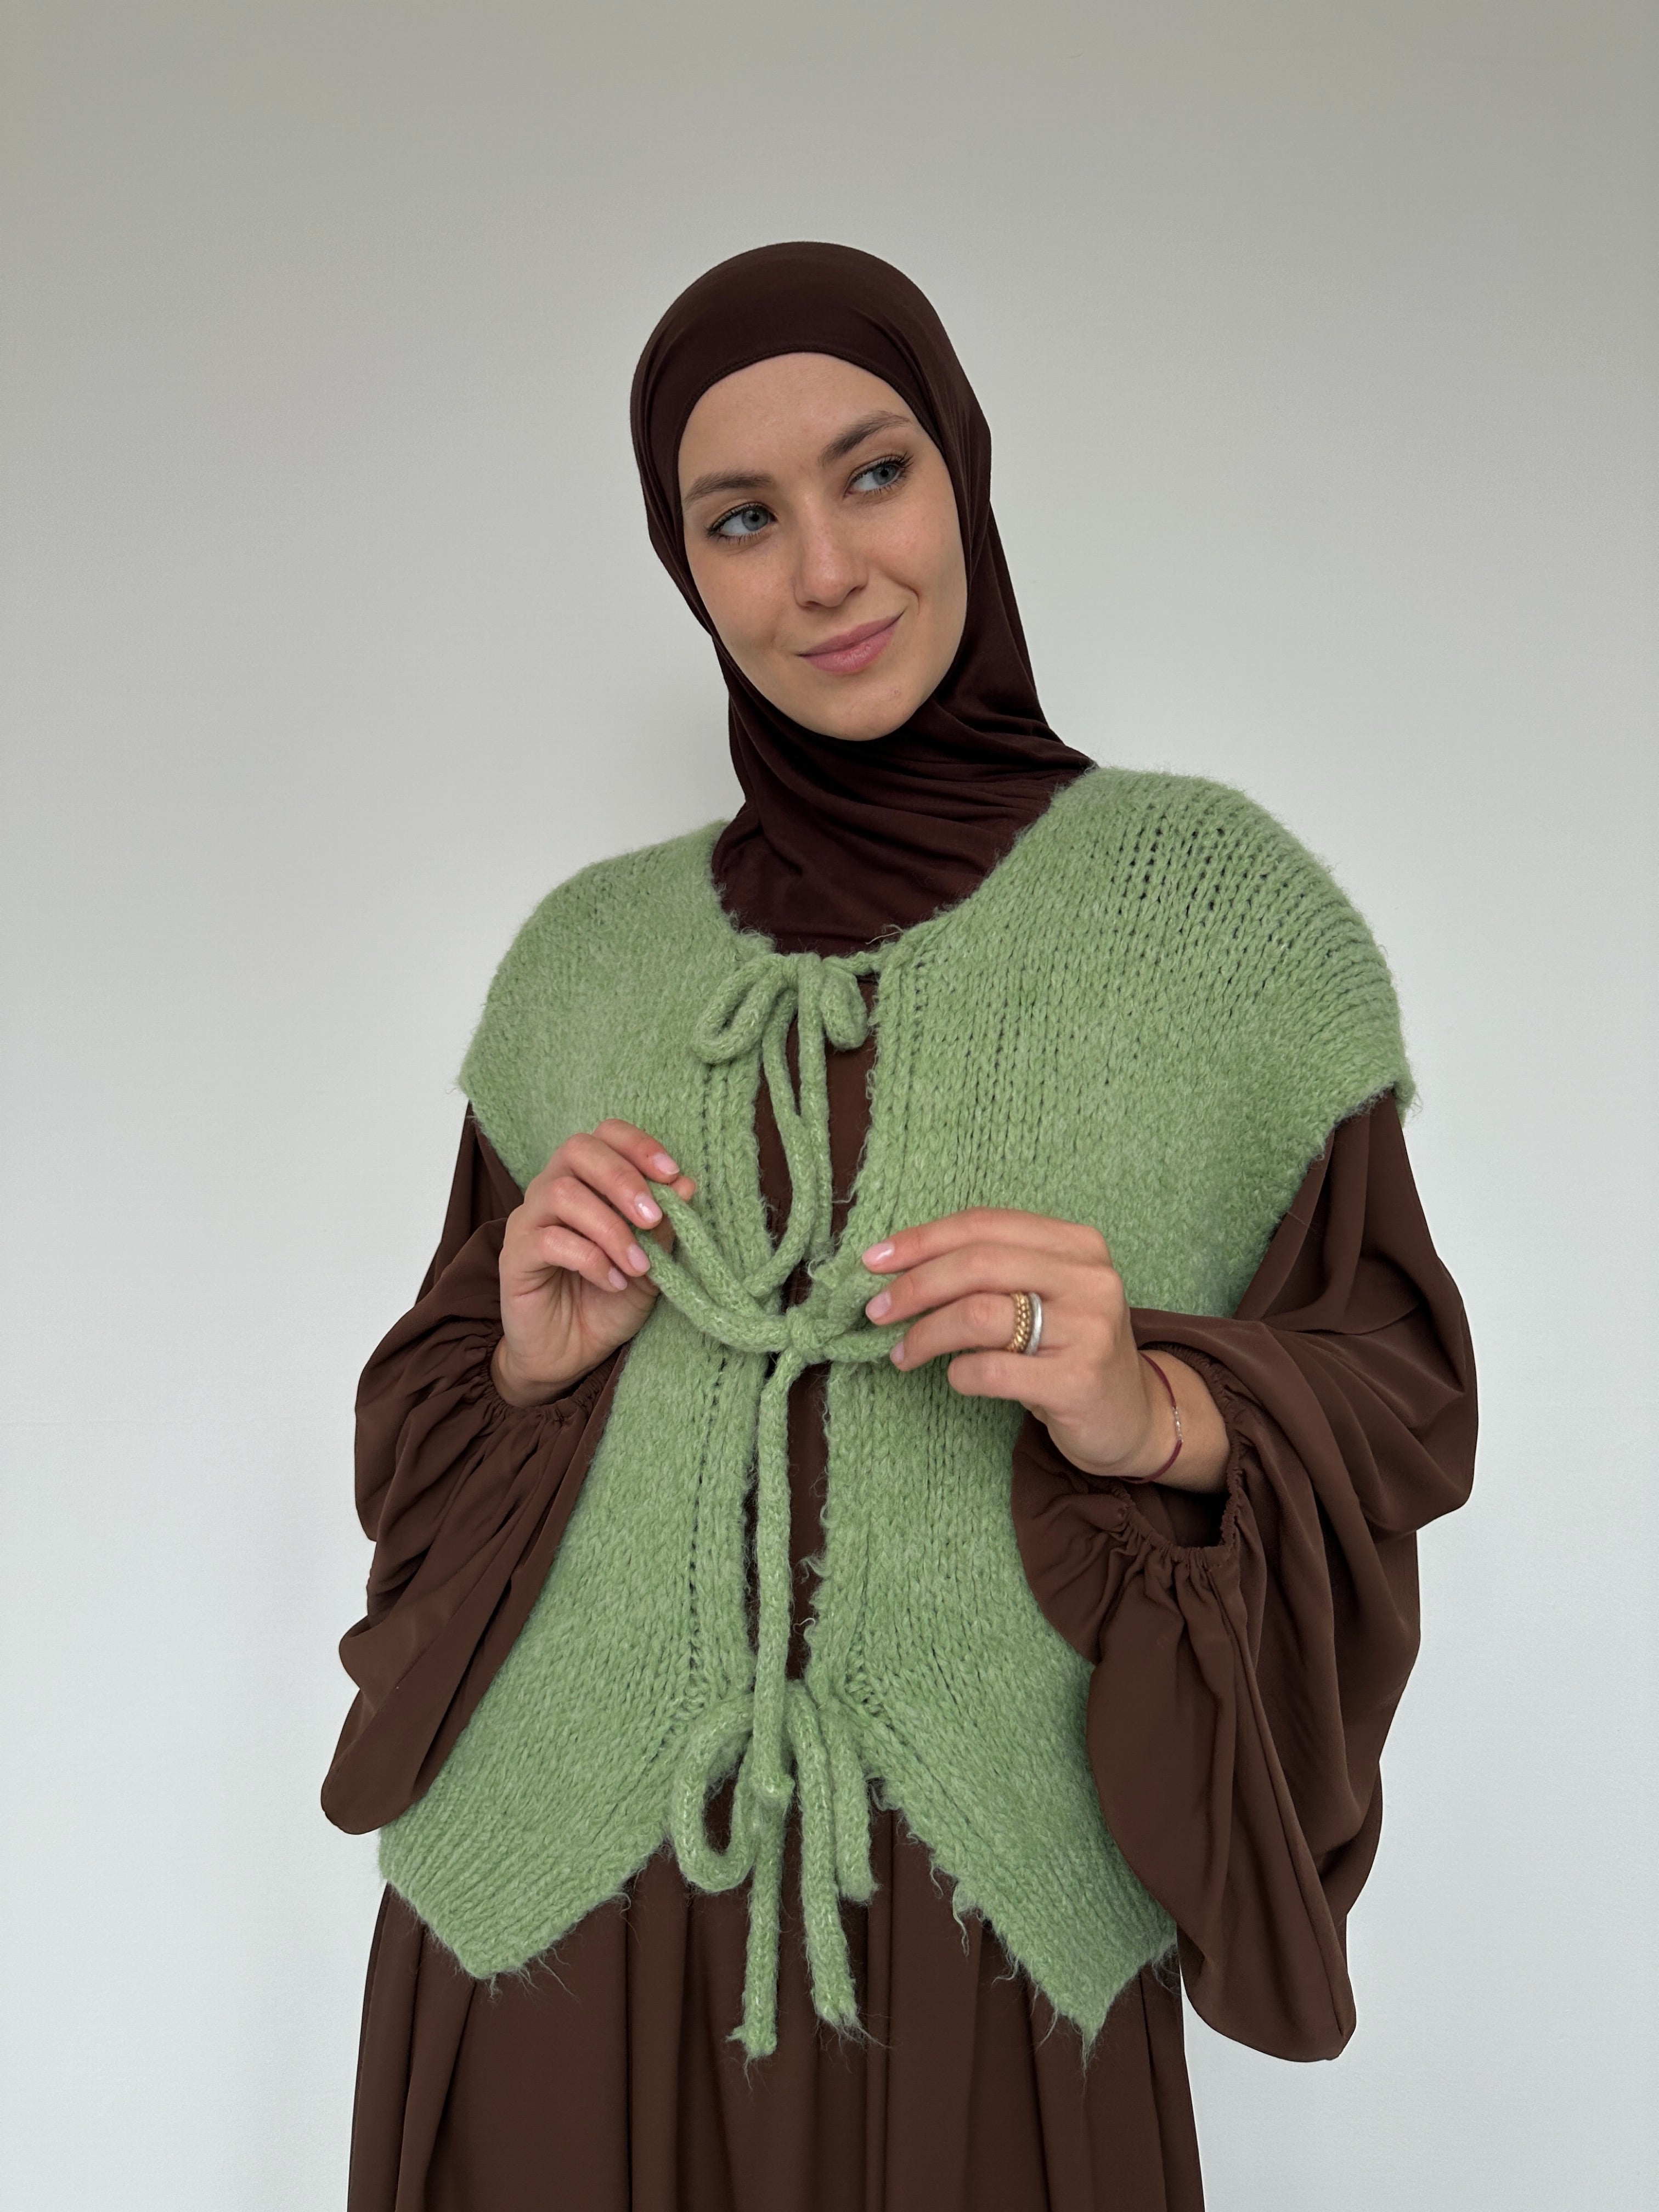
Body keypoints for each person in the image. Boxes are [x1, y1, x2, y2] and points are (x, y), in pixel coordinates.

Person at [324, 241, 1476, 2212]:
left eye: (874, 474)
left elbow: (1400, 1398)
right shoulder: (582, 964)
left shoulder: (1221, 926)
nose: (827, 571)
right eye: (741, 519)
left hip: (986, 1940)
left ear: (964, 469)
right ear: (686, 569)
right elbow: (421, 1474)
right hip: (547, 1928)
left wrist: (1157, 1407)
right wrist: (522, 1364)